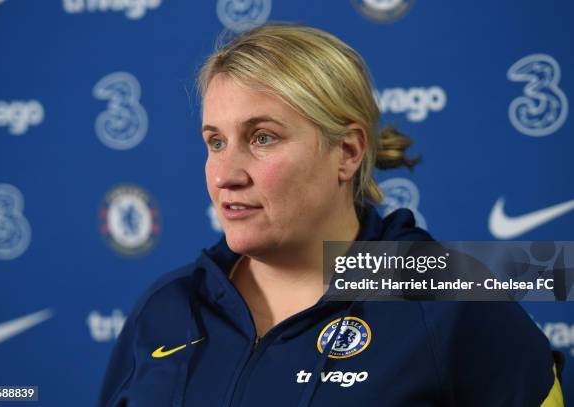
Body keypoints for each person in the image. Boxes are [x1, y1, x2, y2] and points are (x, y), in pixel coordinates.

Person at [97, 24, 563, 406]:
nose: (225, 174)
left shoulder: (448, 304)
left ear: (348, 151)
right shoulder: (167, 308)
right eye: (215, 142)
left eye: (262, 138)